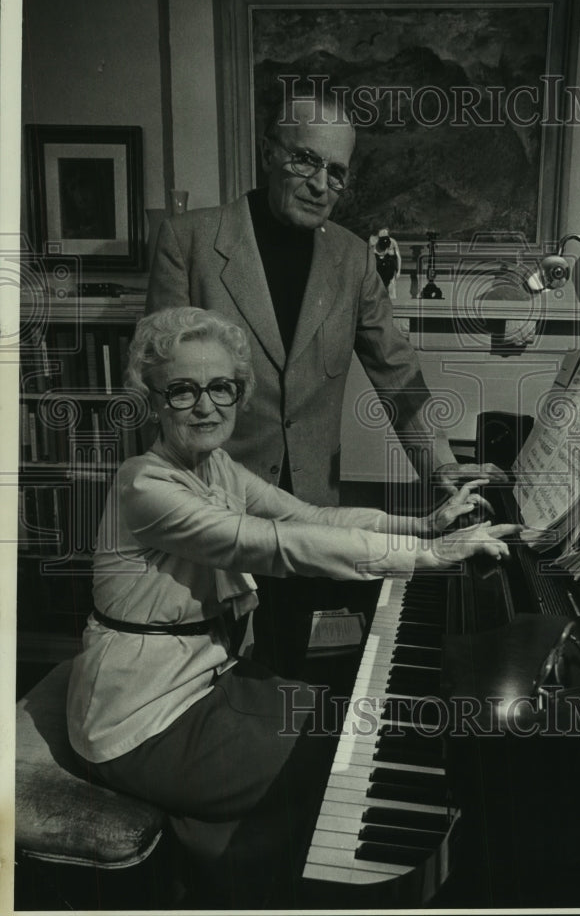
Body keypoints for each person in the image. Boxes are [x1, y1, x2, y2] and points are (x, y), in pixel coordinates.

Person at [66, 306, 519, 907]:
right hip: (140, 716)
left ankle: (221, 867)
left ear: (239, 393)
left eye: (221, 387)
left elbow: (309, 517)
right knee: (337, 759)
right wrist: (428, 558)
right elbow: (279, 545)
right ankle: (239, 880)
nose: (206, 406)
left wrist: (422, 525)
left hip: (203, 681)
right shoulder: (145, 485)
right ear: (152, 399)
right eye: (182, 390)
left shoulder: (219, 467)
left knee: (350, 722)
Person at [145, 84, 501, 671]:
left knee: (287, 668)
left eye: (337, 172)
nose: (321, 184)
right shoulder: (189, 241)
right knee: (209, 669)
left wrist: (445, 471)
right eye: (305, 159)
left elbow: (399, 375)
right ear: (267, 153)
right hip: (210, 506)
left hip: (310, 505)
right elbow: (161, 385)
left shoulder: (355, 259)